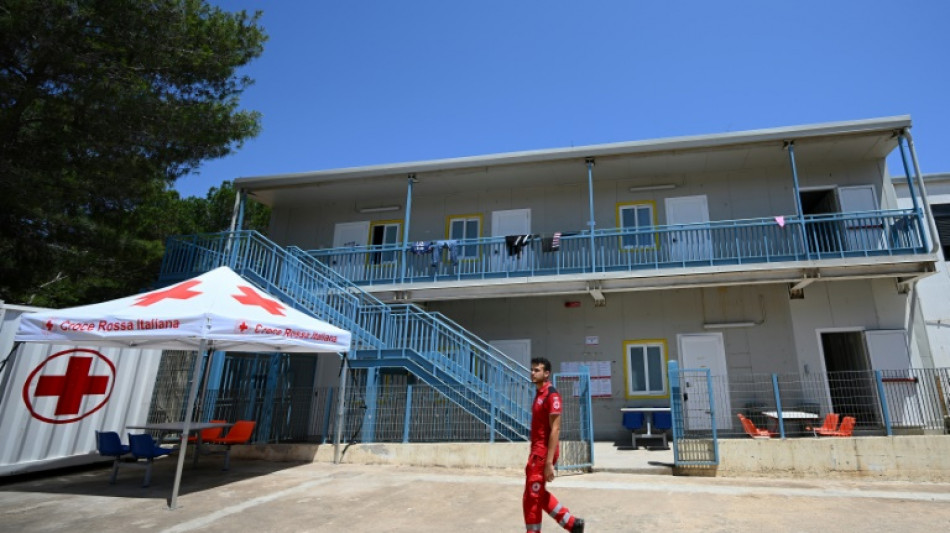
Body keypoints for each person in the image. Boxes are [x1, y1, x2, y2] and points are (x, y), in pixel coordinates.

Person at [523, 356, 584, 532]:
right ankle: (571, 523)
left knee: (533, 496)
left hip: (543, 454)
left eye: (537, 370)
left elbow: (555, 429)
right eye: (532, 369)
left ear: (547, 373)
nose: (533, 373)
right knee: (533, 494)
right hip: (536, 452)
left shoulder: (552, 395)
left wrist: (549, 462)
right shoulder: (539, 394)